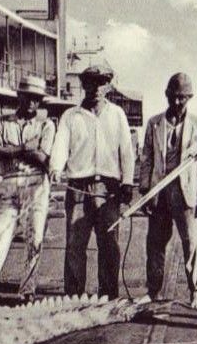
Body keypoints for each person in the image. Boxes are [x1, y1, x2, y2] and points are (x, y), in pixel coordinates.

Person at [49, 64, 135, 299]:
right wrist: (56, 167)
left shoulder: (117, 114)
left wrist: (127, 181)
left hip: (109, 189)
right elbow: (60, 145)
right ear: (84, 85)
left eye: (102, 82)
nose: (96, 88)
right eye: (91, 82)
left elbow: (126, 151)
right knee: (75, 245)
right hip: (78, 187)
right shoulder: (70, 115)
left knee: (109, 245)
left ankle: (108, 297)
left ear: (107, 86)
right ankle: (74, 297)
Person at [0, 76, 55, 305]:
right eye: (28, 97)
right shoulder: (2, 122)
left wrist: (10, 150)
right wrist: (24, 148)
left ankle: (27, 293)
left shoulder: (47, 125)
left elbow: (44, 159)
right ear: (20, 96)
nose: (31, 103)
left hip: (36, 184)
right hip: (8, 183)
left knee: (34, 239)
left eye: (36, 99)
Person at [139, 73, 197, 308]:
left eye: (183, 97)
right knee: (155, 243)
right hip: (159, 192)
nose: (178, 102)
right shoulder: (154, 123)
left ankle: (196, 292)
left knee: (191, 243)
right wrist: (145, 191)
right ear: (167, 95)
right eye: (174, 96)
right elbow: (147, 158)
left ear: (189, 97)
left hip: (186, 192)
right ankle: (154, 291)